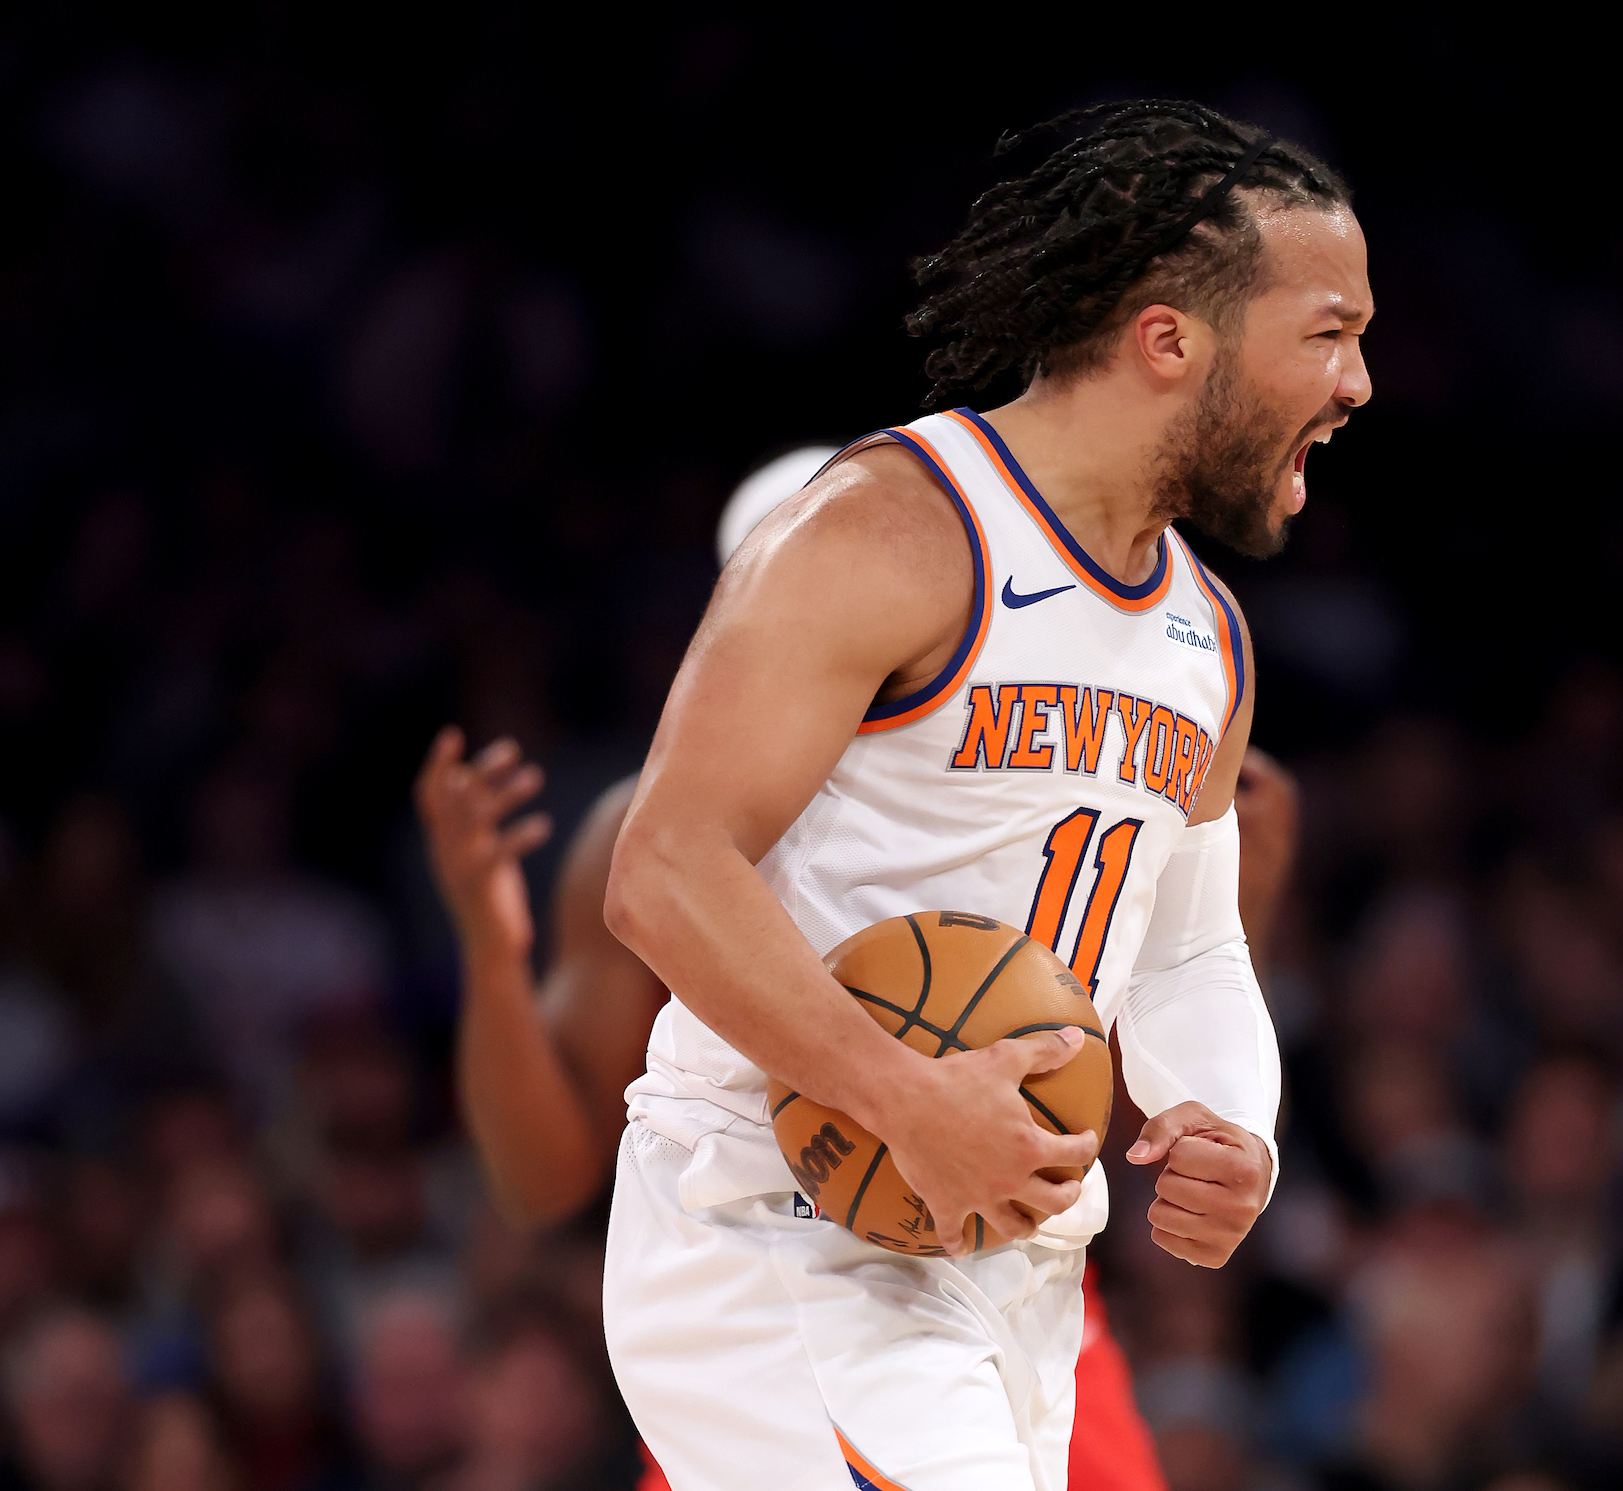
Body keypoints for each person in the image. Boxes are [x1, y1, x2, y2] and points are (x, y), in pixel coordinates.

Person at [595, 98, 1368, 1490]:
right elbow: (663, 868)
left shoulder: (1209, 633)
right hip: (788, 1217)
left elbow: (1187, 944)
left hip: (1015, 1261)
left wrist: (1227, 1115)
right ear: (1169, 338)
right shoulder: (892, 523)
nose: (1358, 380)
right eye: (1328, 332)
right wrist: (902, 1092)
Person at [417, 438, 1300, 1489]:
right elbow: (538, 1180)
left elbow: (1111, 1057)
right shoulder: (670, 840)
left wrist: (1229, 912)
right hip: (779, 1284)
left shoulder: (1023, 767)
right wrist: (488, 945)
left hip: (1012, 1283)